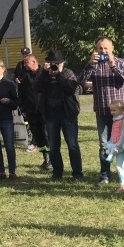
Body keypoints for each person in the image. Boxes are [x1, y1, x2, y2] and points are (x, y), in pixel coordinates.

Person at [78, 37, 124, 185]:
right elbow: (80, 80)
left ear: (112, 48)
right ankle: (105, 176)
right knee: (104, 144)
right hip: (102, 110)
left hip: (120, 113)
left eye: (105, 48)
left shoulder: (121, 62)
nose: (103, 51)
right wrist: (90, 64)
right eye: (100, 48)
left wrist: (113, 66)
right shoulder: (94, 64)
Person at [36, 50, 83, 181]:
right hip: (51, 113)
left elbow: (70, 88)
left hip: (67, 113)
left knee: (72, 144)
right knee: (54, 145)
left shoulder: (68, 73)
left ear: (62, 63)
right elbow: (37, 88)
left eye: (56, 63)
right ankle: (57, 173)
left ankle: (77, 174)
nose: (54, 66)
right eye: (51, 63)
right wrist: (45, 74)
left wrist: (59, 75)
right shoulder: (46, 74)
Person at [18, 53, 51, 170]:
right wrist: (22, 108)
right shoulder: (25, 76)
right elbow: (21, 93)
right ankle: (45, 157)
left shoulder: (45, 72)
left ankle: (52, 159)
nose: (24, 65)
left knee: (46, 134)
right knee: (38, 136)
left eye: (26, 63)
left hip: (45, 110)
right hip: (31, 111)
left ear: (33, 62)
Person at [104, 99, 124, 192]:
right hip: (116, 144)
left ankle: (122, 186)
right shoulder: (116, 120)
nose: (112, 112)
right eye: (111, 110)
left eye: (114, 110)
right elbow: (114, 134)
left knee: (118, 166)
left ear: (121, 110)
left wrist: (117, 146)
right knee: (122, 164)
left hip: (121, 146)